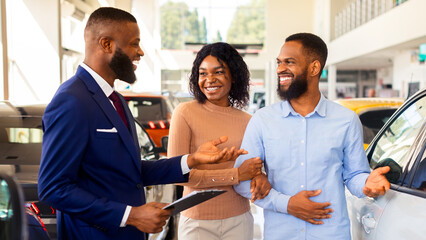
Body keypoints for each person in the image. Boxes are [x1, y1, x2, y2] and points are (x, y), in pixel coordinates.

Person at [37, 8, 245, 240]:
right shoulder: (72, 99)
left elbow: (131, 171)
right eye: (134, 44)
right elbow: (53, 188)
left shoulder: (115, 100)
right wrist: (131, 215)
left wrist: (192, 159)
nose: (141, 52)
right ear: (107, 44)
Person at [233, 33, 391, 240]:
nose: (280, 69)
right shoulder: (262, 121)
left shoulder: (346, 120)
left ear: (314, 68)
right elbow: (242, 181)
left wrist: (367, 185)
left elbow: (353, 175)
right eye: (279, 63)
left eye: (289, 62)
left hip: (331, 233)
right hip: (281, 235)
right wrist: (287, 204)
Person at [168, 42, 271, 240]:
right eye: (203, 73)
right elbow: (176, 174)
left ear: (234, 75)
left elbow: (255, 168)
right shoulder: (185, 113)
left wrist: (260, 176)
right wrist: (235, 175)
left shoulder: (248, 120)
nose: (209, 80)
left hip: (239, 220)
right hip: (197, 222)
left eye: (218, 72)